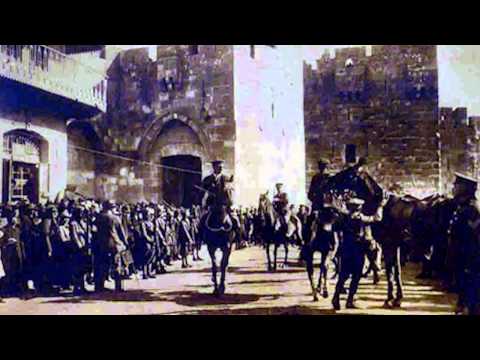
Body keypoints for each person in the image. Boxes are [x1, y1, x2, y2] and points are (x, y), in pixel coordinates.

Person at [332, 195, 388, 310]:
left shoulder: (344, 217)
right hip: (358, 250)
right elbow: (376, 218)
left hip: (346, 249)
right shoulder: (359, 217)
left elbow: (337, 227)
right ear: (358, 207)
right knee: (356, 276)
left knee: (343, 275)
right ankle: (349, 300)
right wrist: (381, 206)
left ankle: (336, 297)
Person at [446, 173, 480, 315]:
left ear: (464, 188)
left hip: (469, 255)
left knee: (470, 282)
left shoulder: (472, 209)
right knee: (462, 282)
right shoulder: (461, 206)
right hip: (461, 253)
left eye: (456, 185)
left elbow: (473, 234)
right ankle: (462, 304)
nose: (453, 187)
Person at [94, 201, 127, 292]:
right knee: (116, 265)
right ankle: (118, 286)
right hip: (114, 244)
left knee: (102, 265)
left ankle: (99, 286)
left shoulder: (98, 218)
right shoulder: (115, 218)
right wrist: (125, 243)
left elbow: (94, 231)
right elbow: (121, 233)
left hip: (101, 244)